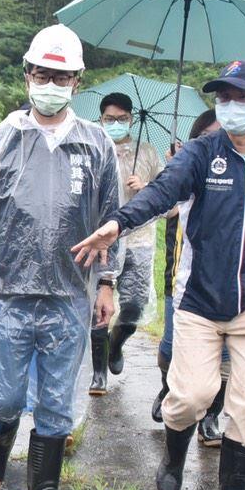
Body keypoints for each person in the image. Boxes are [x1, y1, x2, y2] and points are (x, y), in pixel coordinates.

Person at [73, 60, 245, 490]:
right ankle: (173, 456)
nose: (229, 107)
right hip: (199, 302)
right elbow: (163, 191)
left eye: (241, 98)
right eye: (222, 98)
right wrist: (119, 222)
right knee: (189, 397)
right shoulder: (200, 153)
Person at [0, 24, 120, 490]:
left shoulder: (95, 145)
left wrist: (107, 283)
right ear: (28, 75)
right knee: (3, 398)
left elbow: (112, 217)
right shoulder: (2, 141)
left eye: (61, 75)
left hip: (70, 295)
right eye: (41, 73)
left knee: (56, 401)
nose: (49, 83)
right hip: (8, 291)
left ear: (78, 81)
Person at [155, 110, 228, 445]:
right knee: (172, 345)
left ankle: (212, 416)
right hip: (185, 276)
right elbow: (165, 206)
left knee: (225, 357)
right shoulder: (188, 166)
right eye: (207, 137)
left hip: (233, 284)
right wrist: (177, 170)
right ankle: (169, 387)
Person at [90, 93, 164, 395]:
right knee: (99, 307)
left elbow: (169, 199)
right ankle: (98, 375)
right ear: (101, 120)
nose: (116, 124)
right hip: (103, 240)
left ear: (131, 119)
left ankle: (116, 345)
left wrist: (145, 188)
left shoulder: (147, 153)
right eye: (110, 119)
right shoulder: (94, 149)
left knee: (133, 305)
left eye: (121, 119)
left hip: (139, 240)